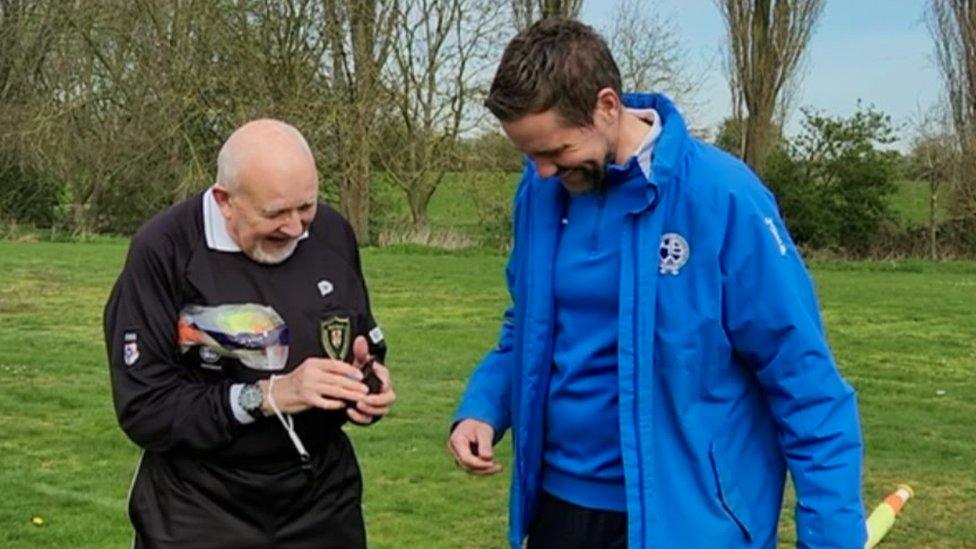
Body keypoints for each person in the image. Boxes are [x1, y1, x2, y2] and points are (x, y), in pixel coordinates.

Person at [448, 19, 866, 548]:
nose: (544, 172)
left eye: (556, 152)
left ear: (606, 106)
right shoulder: (539, 194)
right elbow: (526, 328)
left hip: (688, 523)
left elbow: (807, 387)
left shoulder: (722, 197)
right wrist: (483, 407)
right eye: (530, 156)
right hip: (559, 512)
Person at [104, 119, 396, 549]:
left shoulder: (331, 233)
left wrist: (366, 384)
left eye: (307, 206)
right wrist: (267, 396)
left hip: (320, 497)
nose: (296, 227)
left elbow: (358, 342)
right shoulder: (164, 249)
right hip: (200, 501)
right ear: (225, 201)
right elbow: (145, 406)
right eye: (276, 213)